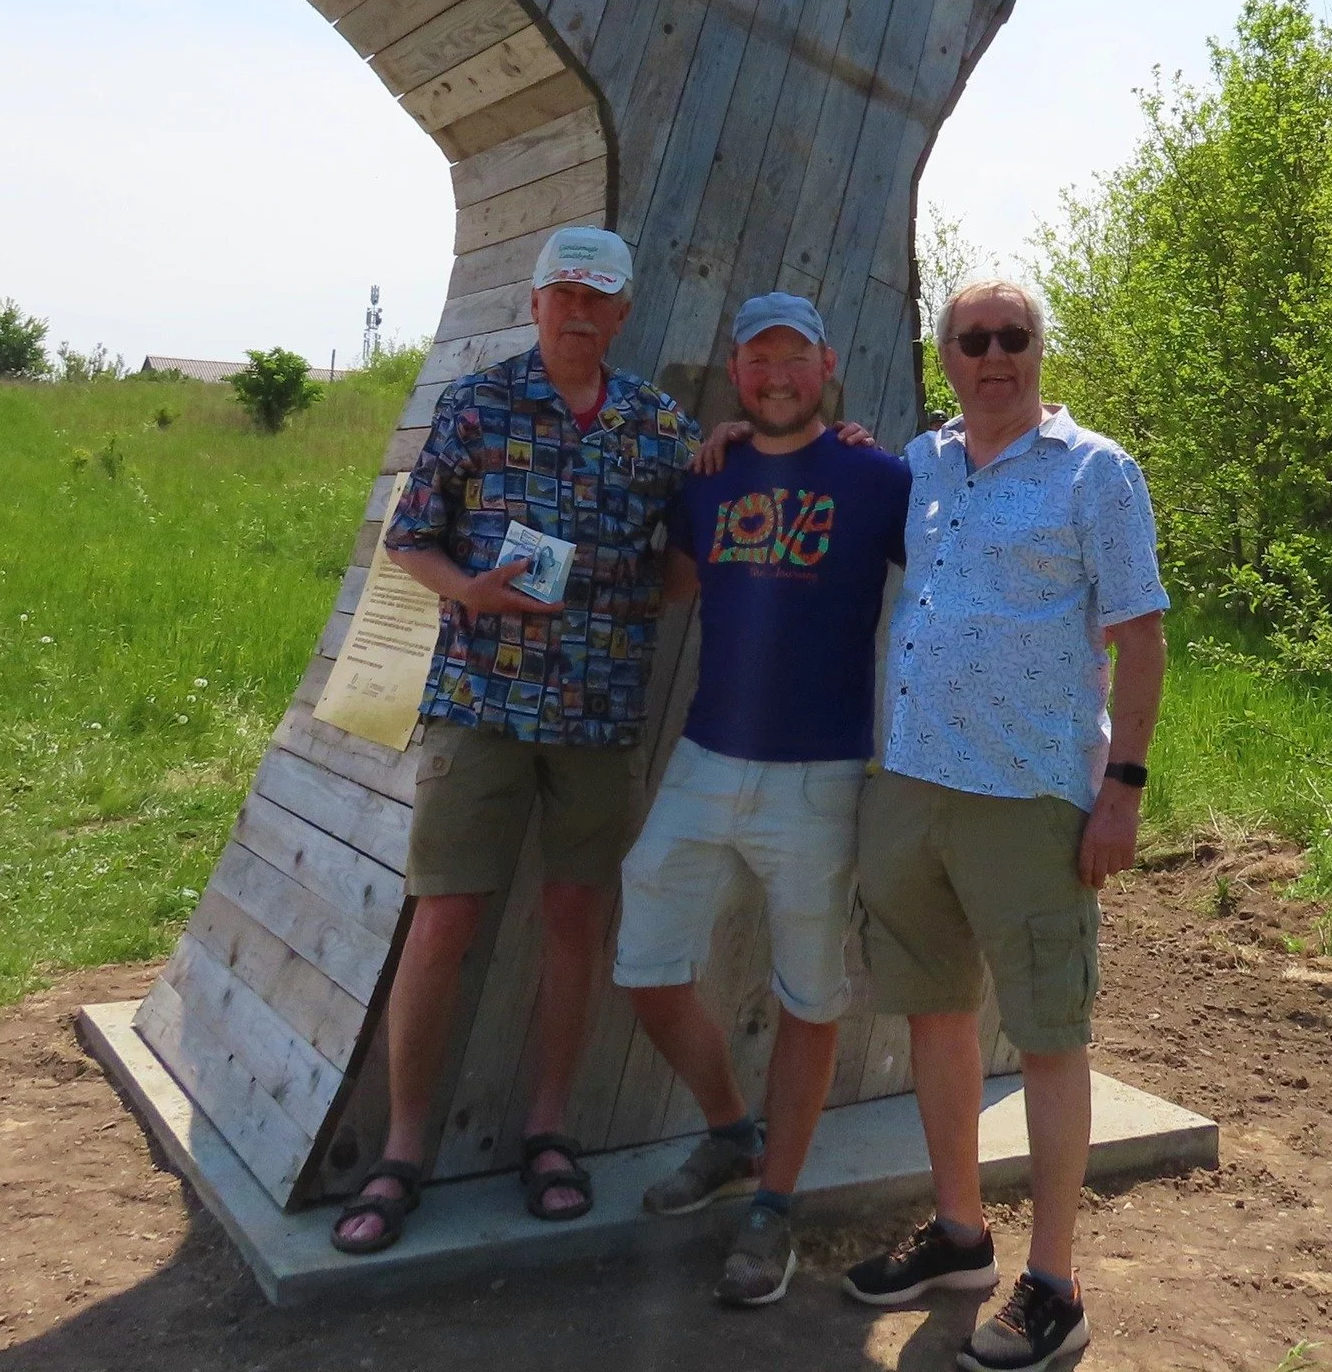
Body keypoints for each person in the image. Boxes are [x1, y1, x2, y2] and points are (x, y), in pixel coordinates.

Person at [330, 226, 700, 1254]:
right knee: (442, 918)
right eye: (562, 293)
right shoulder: (476, 403)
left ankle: (547, 1133)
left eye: (598, 298)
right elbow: (409, 536)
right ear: (534, 304)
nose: (578, 310)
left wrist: (639, 601)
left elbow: (694, 546)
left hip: (595, 713)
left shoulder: (656, 422)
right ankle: (401, 1151)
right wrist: (470, 589)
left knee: (574, 920)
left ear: (622, 314)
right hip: (479, 706)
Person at [843, 278, 1169, 1372]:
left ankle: (1056, 1284)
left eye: (1012, 337)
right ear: (946, 359)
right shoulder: (924, 463)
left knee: (1045, 1034)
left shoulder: (1095, 471)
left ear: (1038, 349)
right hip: (911, 784)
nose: (994, 354)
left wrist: (1119, 788)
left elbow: (1140, 638)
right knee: (933, 1014)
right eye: (972, 339)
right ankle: (958, 1233)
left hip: (1030, 794)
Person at [612, 293, 911, 1308]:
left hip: (820, 773)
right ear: (734, 372)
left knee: (809, 994)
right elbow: (672, 585)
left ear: (826, 364)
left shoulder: (879, 478)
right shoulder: (709, 474)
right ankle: (729, 1130)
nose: (775, 374)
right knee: (644, 959)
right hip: (703, 758)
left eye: (794, 358)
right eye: (756, 360)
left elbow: (941, 591)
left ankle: (774, 1200)